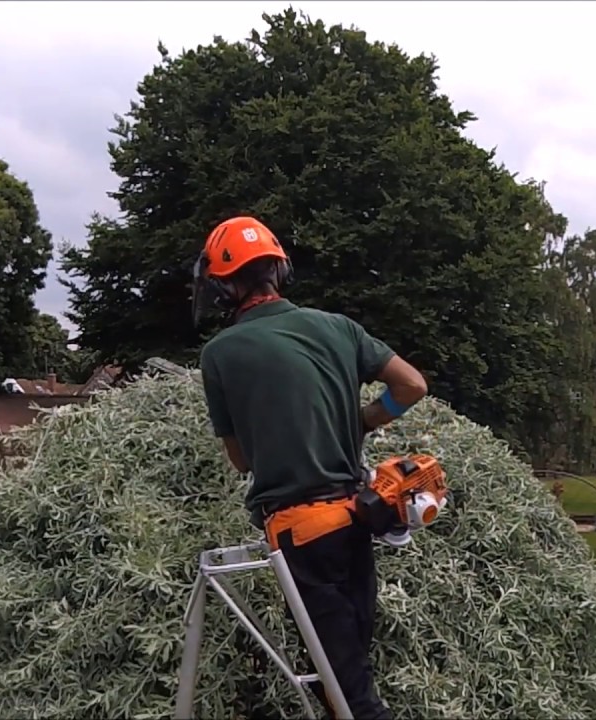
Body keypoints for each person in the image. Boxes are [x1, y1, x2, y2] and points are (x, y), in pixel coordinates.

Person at [192, 215, 428, 720]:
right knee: (344, 674)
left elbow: (240, 461)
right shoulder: (337, 327)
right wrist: (362, 420)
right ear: (279, 270)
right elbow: (412, 386)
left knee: (350, 696)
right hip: (357, 521)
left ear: (224, 285)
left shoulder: (220, 353)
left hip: (301, 534)